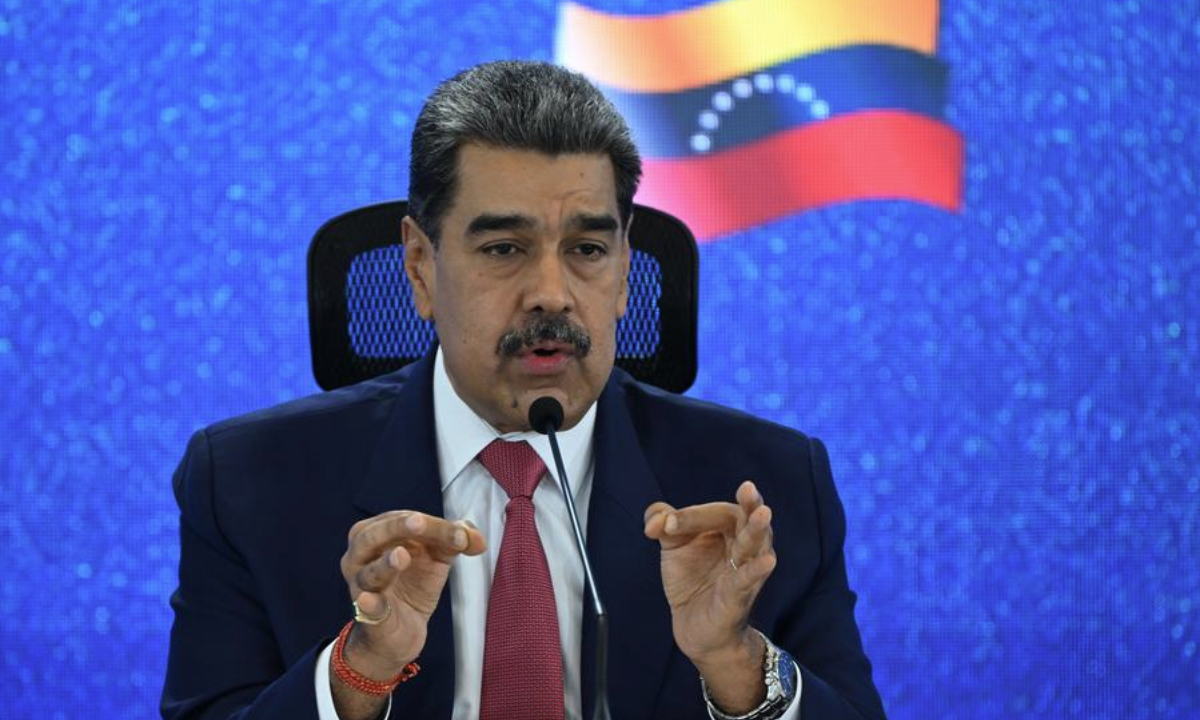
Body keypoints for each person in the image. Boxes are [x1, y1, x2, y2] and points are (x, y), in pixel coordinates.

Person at [162, 60, 886, 720]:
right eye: (504, 249)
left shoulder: (767, 491)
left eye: (588, 250)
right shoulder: (249, 484)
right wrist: (358, 672)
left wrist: (735, 664)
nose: (552, 293)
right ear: (418, 266)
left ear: (627, 268)